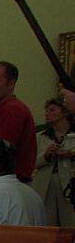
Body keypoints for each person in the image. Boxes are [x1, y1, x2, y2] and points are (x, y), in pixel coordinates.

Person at [32, 97, 75, 227]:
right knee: (47, 223)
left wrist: (71, 154)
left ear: (65, 112)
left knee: (70, 223)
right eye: (46, 111)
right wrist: (46, 155)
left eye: (52, 110)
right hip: (46, 183)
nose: (47, 113)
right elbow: (31, 162)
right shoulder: (40, 136)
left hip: (70, 184)